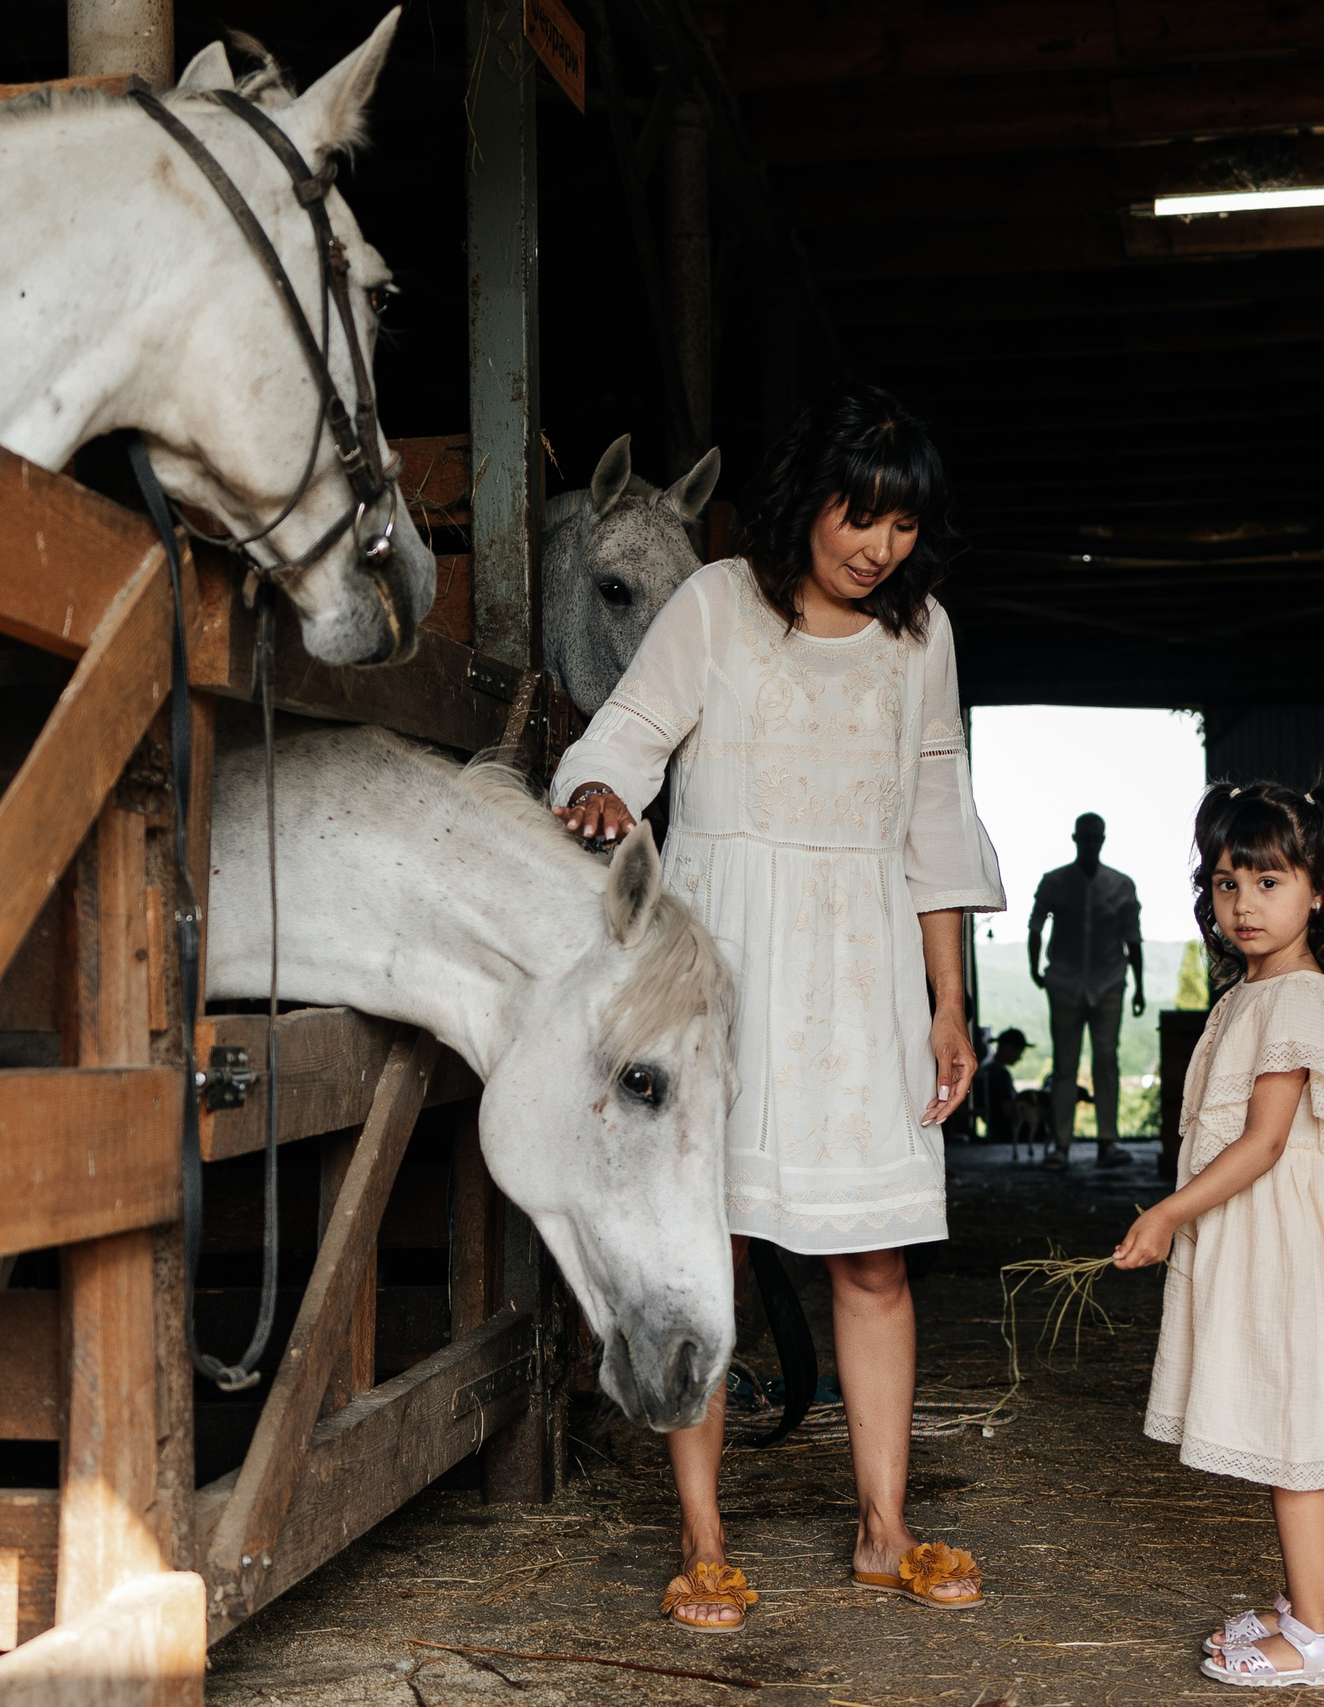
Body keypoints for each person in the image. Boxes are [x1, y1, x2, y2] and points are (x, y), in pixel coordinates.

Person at [549, 383, 1005, 1633]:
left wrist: (948, 1005)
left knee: (873, 1257)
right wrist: (598, 793)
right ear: (810, 500)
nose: (877, 547)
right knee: (711, 1258)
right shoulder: (715, 606)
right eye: (860, 516)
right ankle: (702, 1540)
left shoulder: (923, 641)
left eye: (903, 528)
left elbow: (933, 830)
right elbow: (627, 732)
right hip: (725, 962)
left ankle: (883, 1528)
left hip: (861, 975)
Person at [1111, 781, 1324, 1689]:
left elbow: (1266, 1139)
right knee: (1285, 1422)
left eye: (1269, 882)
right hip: (1265, 1230)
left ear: (1319, 889)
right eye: (1225, 884)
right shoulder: (1254, 992)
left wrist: (1169, 1212)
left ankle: (1320, 1636)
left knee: (1294, 1434)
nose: (1243, 904)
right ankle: (1302, 1606)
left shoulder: (1296, 997)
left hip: (1291, 1245)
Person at [1027, 813, 1145, 1169]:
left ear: (1102, 840)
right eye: (1086, 838)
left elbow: (1133, 938)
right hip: (1064, 982)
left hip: (1108, 981)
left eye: (1096, 838)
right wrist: (1034, 967)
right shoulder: (1055, 882)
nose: (1091, 844)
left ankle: (1106, 1142)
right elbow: (1035, 925)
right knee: (1065, 1064)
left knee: (1106, 1060)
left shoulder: (1121, 885)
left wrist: (1139, 986)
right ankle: (1061, 1145)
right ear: (1076, 839)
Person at [975, 1026, 1030, 1150]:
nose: (1019, 1057)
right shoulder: (1000, 1074)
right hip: (1005, 1129)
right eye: (1019, 1051)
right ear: (1008, 1047)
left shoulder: (988, 1069)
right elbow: (1007, 1109)